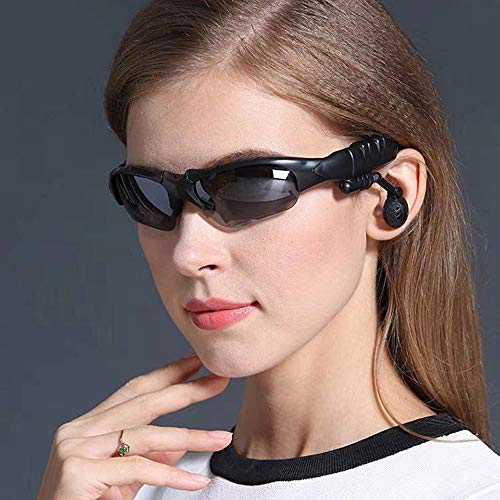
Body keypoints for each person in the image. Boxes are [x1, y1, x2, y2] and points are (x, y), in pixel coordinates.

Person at [38, 0, 500, 499]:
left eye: (251, 187)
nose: (187, 254)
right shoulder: (125, 491)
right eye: (150, 194)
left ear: (392, 193)